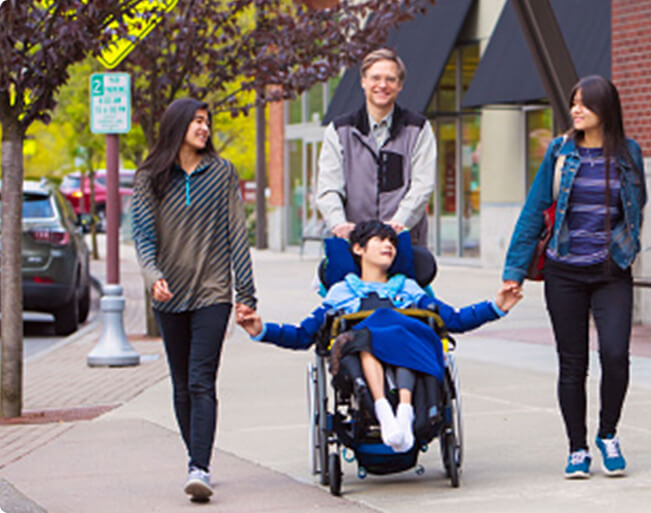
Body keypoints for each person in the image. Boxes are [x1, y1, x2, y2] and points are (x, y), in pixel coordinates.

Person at [236, 220, 521, 452]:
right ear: (358, 249)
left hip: (408, 353)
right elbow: (302, 334)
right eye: (380, 240)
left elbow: (454, 319)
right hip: (362, 358)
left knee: (397, 330)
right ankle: (386, 412)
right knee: (369, 336)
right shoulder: (342, 293)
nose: (389, 246)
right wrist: (261, 331)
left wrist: (497, 307)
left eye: (392, 242)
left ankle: (405, 412)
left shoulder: (408, 288)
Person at [502, 75, 646, 479]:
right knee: (573, 363)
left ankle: (608, 434)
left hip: (611, 271)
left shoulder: (630, 153)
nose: (576, 110)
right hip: (564, 271)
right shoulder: (560, 151)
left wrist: (626, 249)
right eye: (574, 103)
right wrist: (514, 271)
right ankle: (577, 448)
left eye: (585, 104)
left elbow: (637, 207)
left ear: (606, 109)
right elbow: (535, 209)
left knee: (616, 356)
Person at [130, 98, 257, 502]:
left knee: (202, 380)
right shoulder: (150, 176)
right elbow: (143, 237)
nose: (204, 128)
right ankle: (194, 457)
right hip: (169, 294)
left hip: (212, 294)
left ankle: (199, 467)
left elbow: (237, 234)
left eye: (207, 122)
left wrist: (246, 294)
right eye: (197, 122)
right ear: (177, 125)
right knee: (182, 384)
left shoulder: (221, 173)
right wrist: (154, 277)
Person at [316, 47, 436, 246]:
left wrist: (398, 224)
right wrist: (339, 224)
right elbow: (328, 187)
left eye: (390, 79)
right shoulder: (339, 130)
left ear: (399, 85)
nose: (382, 85)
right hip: (354, 243)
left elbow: (422, 186)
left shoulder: (418, 129)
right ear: (363, 82)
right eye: (375, 78)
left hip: (403, 243)